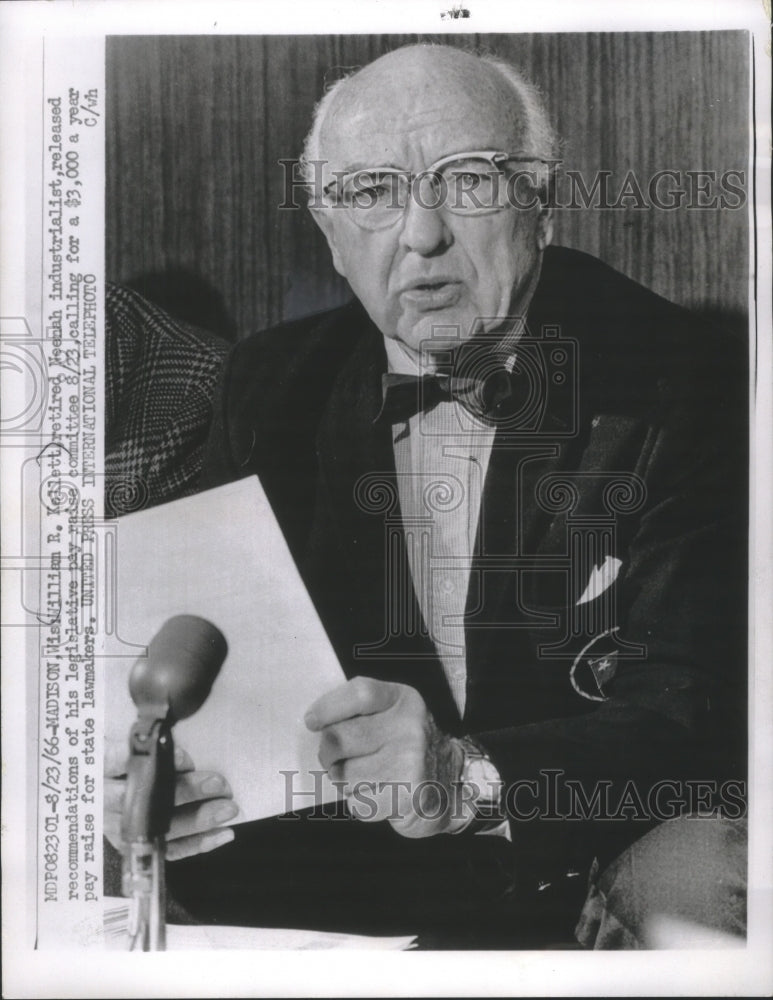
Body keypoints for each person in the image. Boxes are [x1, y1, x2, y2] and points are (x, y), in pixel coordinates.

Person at [105, 43, 747, 947]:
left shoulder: (686, 377)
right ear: (329, 233)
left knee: (697, 875)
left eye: (469, 181)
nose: (420, 234)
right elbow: (225, 674)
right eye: (370, 193)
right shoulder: (268, 385)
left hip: (601, 849)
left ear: (541, 200)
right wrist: (171, 784)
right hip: (366, 878)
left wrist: (472, 776)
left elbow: (697, 709)